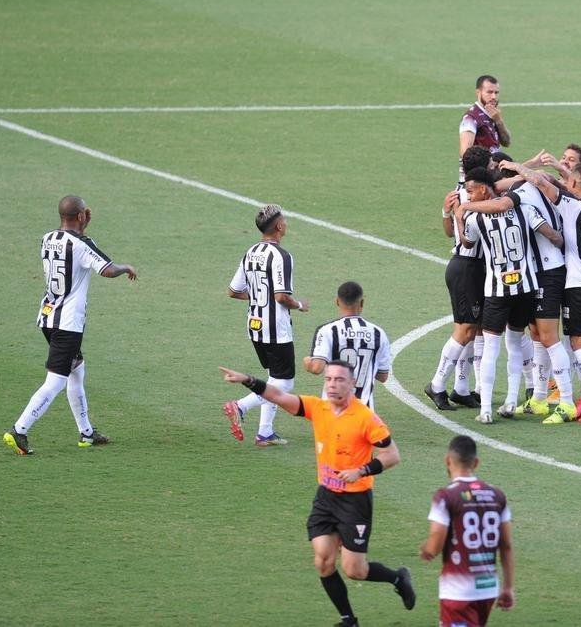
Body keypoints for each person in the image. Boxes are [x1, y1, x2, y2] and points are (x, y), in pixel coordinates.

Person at [219, 360, 416, 626]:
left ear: (353, 383)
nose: (333, 385)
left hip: (355, 501)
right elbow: (277, 395)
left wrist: (362, 470)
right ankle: (349, 620)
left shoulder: (365, 418)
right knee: (323, 561)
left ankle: (397, 578)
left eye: (339, 380)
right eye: (329, 379)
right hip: (326, 497)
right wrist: (247, 379)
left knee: (354, 570)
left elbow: (392, 455)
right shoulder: (318, 408)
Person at [3, 196, 137, 455]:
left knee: (77, 369)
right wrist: (125, 267)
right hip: (68, 324)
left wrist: (81, 225)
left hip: (47, 315)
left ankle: (86, 433)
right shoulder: (82, 244)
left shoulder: (47, 238)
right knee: (55, 381)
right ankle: (19, 430)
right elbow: (107, 269)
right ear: (80, 216)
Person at [455, 166, 563, 423]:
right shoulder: (524, 208)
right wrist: (559, 241)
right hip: (525, 287)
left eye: (470, 191)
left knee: (492, 348)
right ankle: (511, 402)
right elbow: (552, 235)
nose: (468, 197)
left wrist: (459, 215)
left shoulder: (474, 218)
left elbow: (467, 244)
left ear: (483, 188)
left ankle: (485, 410)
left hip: (497, 290)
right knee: (514, 344)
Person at [223, 204, 310, 447]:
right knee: (285, 382)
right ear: (279, 227)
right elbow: (282, 296)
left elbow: (233, 291)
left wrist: (259, 298)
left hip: (254, 324)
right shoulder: (282, 256)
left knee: (274, 378)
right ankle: (240, 406)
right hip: (276, 327)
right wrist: (300, 305)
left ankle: (265, 432)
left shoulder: (250, 252)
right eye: (285, 220)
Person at [420, 435, 515, 626]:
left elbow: (436, 542)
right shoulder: (497, 495)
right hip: (488, 588)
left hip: (458, 591)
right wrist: (508, 587)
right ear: (476, 463)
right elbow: (506, 545)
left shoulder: (446, 496)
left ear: (448, 460)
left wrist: (427, 549)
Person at [427, 145, 494, 412]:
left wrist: (446, 213)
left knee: (473, 328)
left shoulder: (461, 191)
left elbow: (447, 231)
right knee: (465, 330)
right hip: (467, 267)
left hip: (470, 266)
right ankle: (437, 384)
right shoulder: (477, 195)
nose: (495, 166)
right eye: (491, 163)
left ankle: (462, 388)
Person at [304, 281, 393, 411]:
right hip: (364, 413)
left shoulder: (328, 330)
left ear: (337, 302)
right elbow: (383, 376)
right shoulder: (378, 333)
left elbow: (316, 368)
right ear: (362, 303)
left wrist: (307, 362)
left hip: (333, 412)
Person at [458, 75, 511, 179]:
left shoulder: (493, 114)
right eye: (489, 92)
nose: (494, 97)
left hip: (493, 177)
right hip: (478, 181)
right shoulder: (471, 118)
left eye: (496, 92)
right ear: (478, 92)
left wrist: (498, 120)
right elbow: (466, 155)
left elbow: (507, 142)